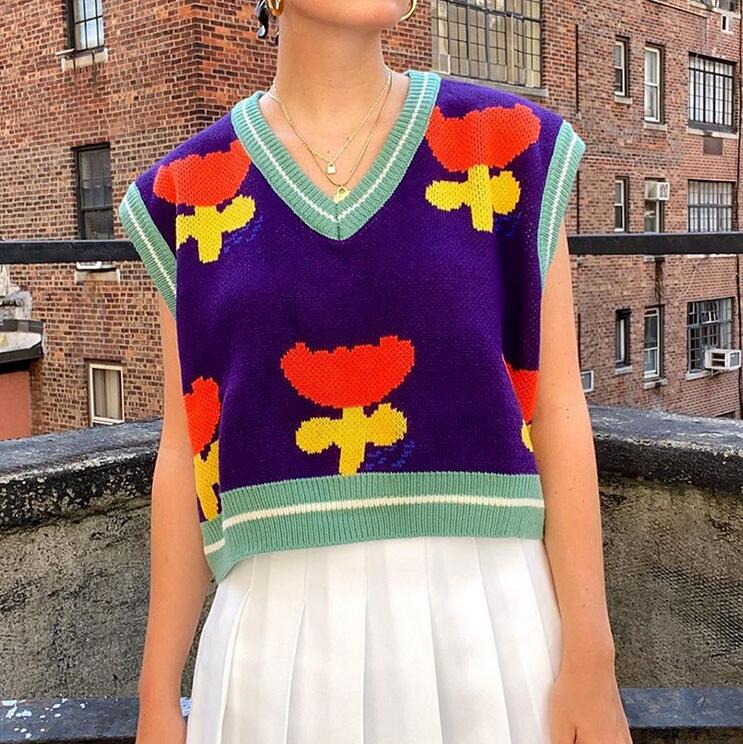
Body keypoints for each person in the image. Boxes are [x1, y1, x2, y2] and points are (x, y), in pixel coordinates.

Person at [119, 1, 632, 742]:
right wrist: (157, 696)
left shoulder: (508, 146)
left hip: (492, 633)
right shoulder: (182, 194)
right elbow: (184, 449)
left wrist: (592, 657)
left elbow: (557, 409)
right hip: (275, 656)